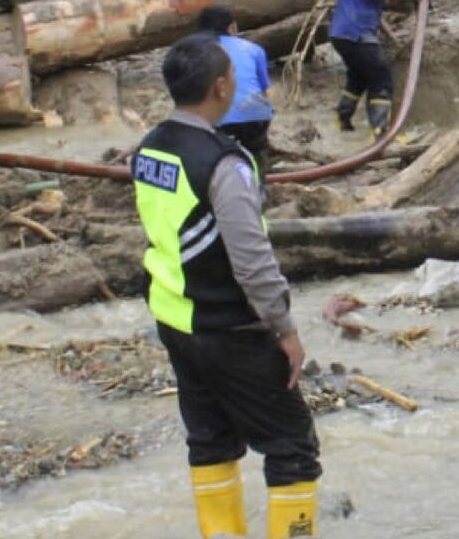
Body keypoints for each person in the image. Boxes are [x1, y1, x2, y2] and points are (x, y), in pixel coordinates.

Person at [131, 34, 321, 538]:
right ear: (220, 87)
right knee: (292, 447)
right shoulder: (223, 162)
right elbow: (252, 259)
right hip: (230, 328)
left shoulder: (150, 148)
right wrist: (285, 329)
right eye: (232, 78)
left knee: (210, 441)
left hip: (175, 320)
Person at [327, 0, 427, 139]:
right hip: (356, 34)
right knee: (382, 80)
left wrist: (389, 34)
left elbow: (371, 8)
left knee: (358, 78)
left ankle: (341, 120)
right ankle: (381, 133)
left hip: (341, 35)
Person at [199, 4, 274, 172]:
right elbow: (266, 91)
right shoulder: (254, 49)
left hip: (220, 119)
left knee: (217, 159)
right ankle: (258, 184)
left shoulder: (199, 51)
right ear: (232, 28)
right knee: (256, 156)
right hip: (256, 116)